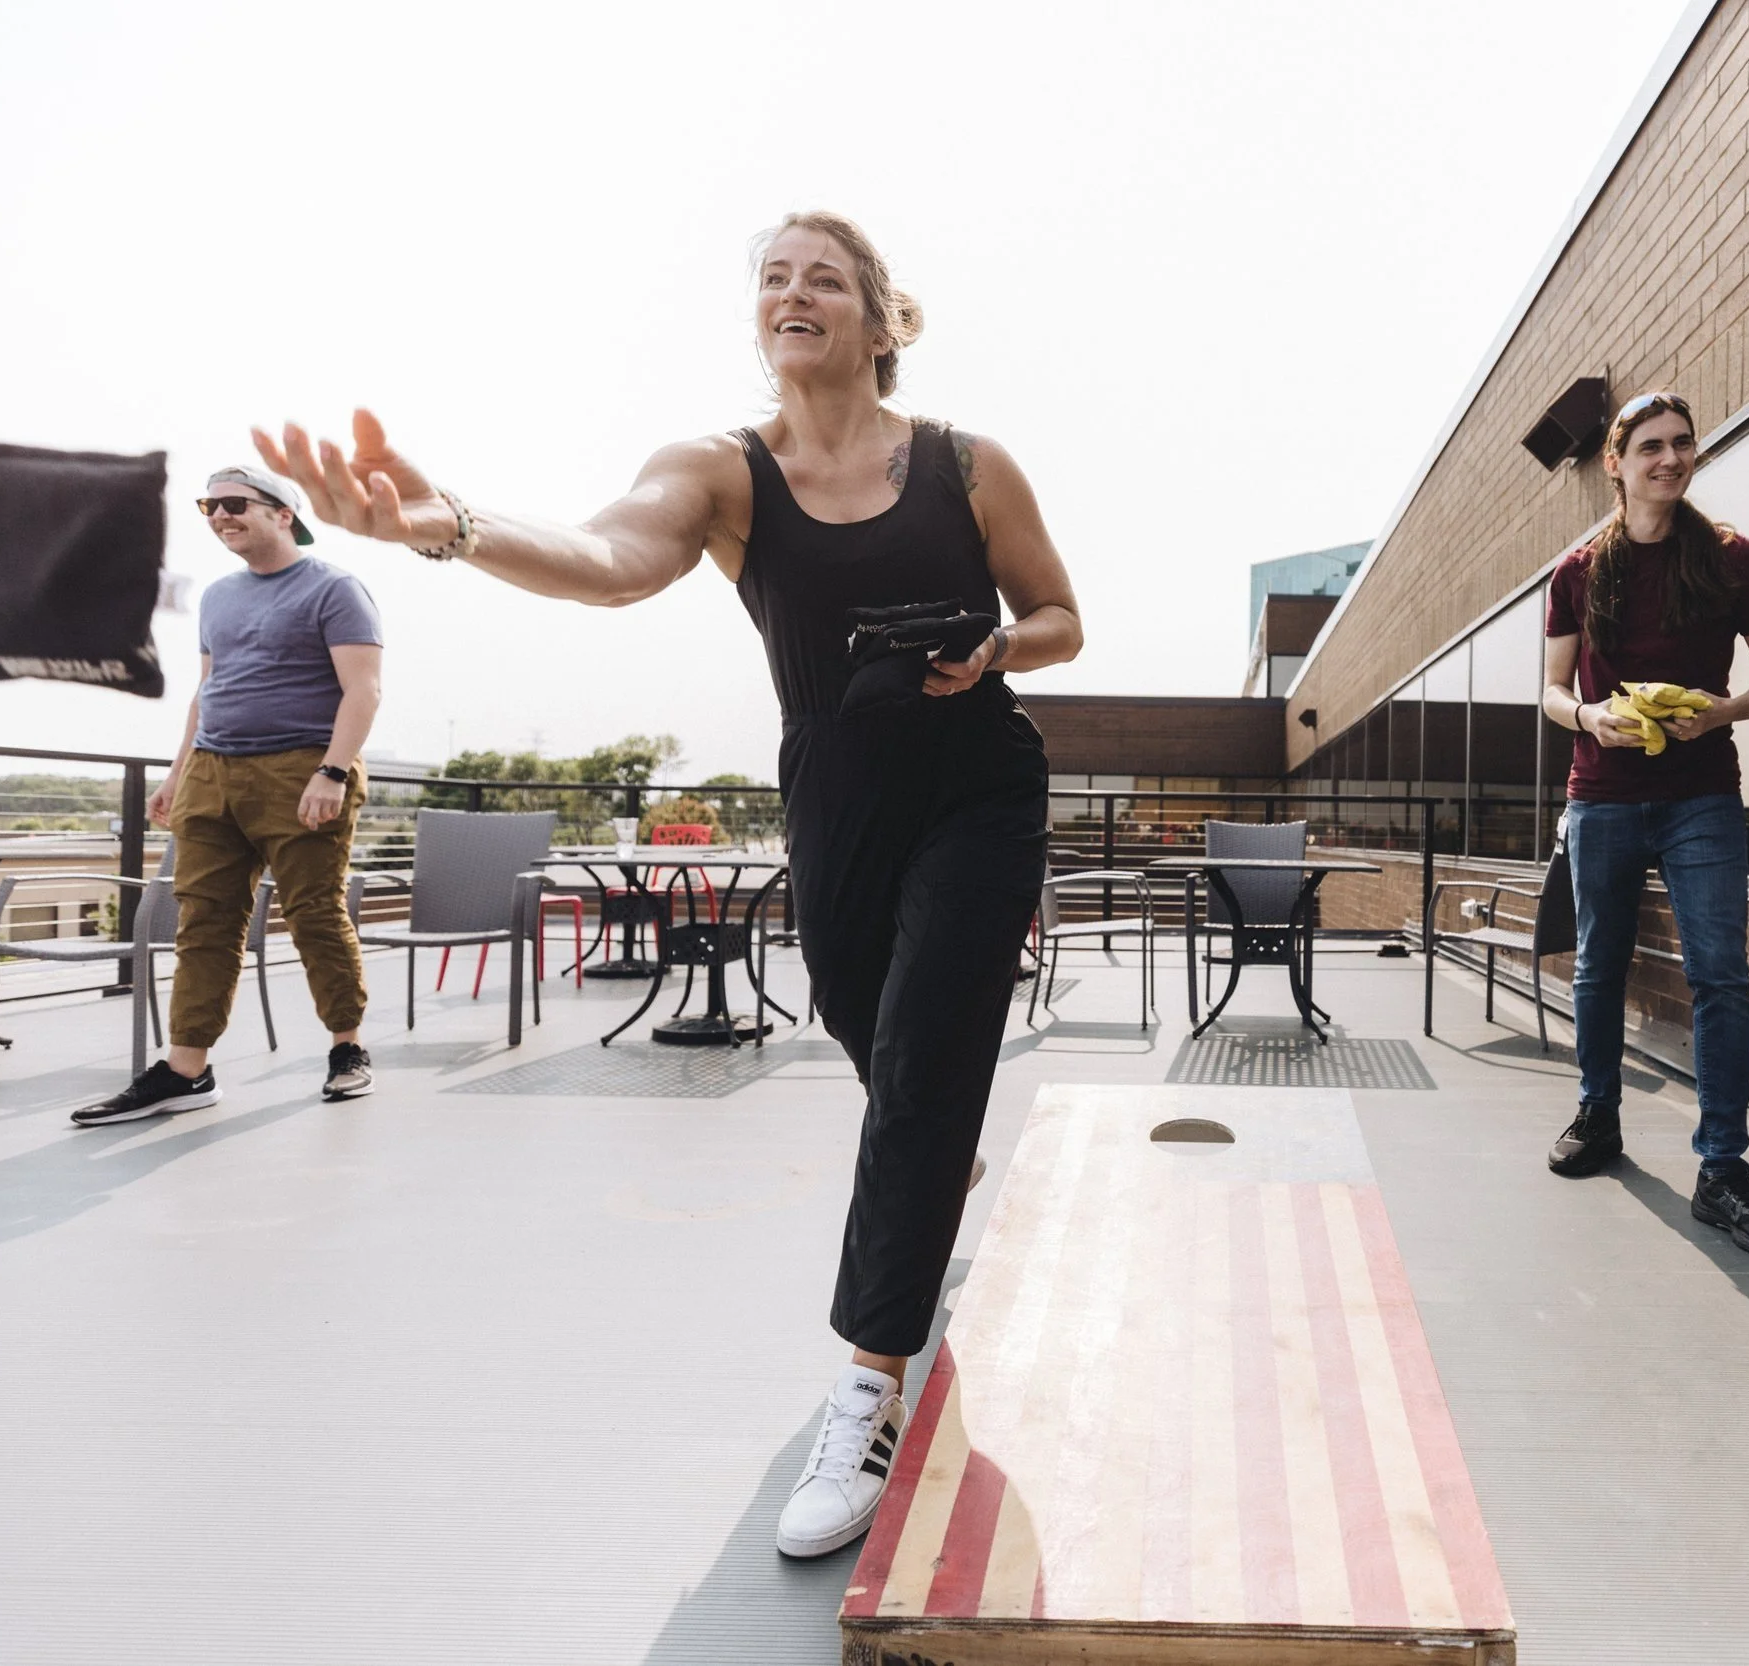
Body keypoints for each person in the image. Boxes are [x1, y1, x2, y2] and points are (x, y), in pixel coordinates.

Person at [252, 210, 1081, 1559]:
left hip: (979, 782)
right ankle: (931, 1161)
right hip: (836, 787)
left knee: (927, 1057)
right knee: (867, 1024)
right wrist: (448, 523)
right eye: (773, 278)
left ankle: (871, 1381)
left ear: (883, 320)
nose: (791, 293)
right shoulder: (719, 470)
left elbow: (1062, 615)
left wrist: (996, 646)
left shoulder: (969, 466)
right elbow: (608, 558)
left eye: (824, 278)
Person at [1537, 391, 1749, 1262]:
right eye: (1650, 445)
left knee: (1721, 977)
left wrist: (1719, 710)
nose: (1670, 458)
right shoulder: (1577, 570)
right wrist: (1589, 720)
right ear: (1614, 461)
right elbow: (1550, 691)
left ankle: (1722, 1170)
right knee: (1598, 970)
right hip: (1603, 794)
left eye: (1682, 444)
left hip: (1702, 794)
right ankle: (1599, 1115)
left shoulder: (1736, 559)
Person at [74, 467, 383, 1126]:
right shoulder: (218, 597)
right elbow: (207, 691)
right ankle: (187, 1071)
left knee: (314, 915)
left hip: (299, 772)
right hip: (213, 773)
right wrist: (176, 773)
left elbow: (364, 689)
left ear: (282, 512)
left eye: (234, 504)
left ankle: (347, 1049)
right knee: (203, 925)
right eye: (209, 506)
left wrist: (331, 771)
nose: (219, 516)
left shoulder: (334, 588)